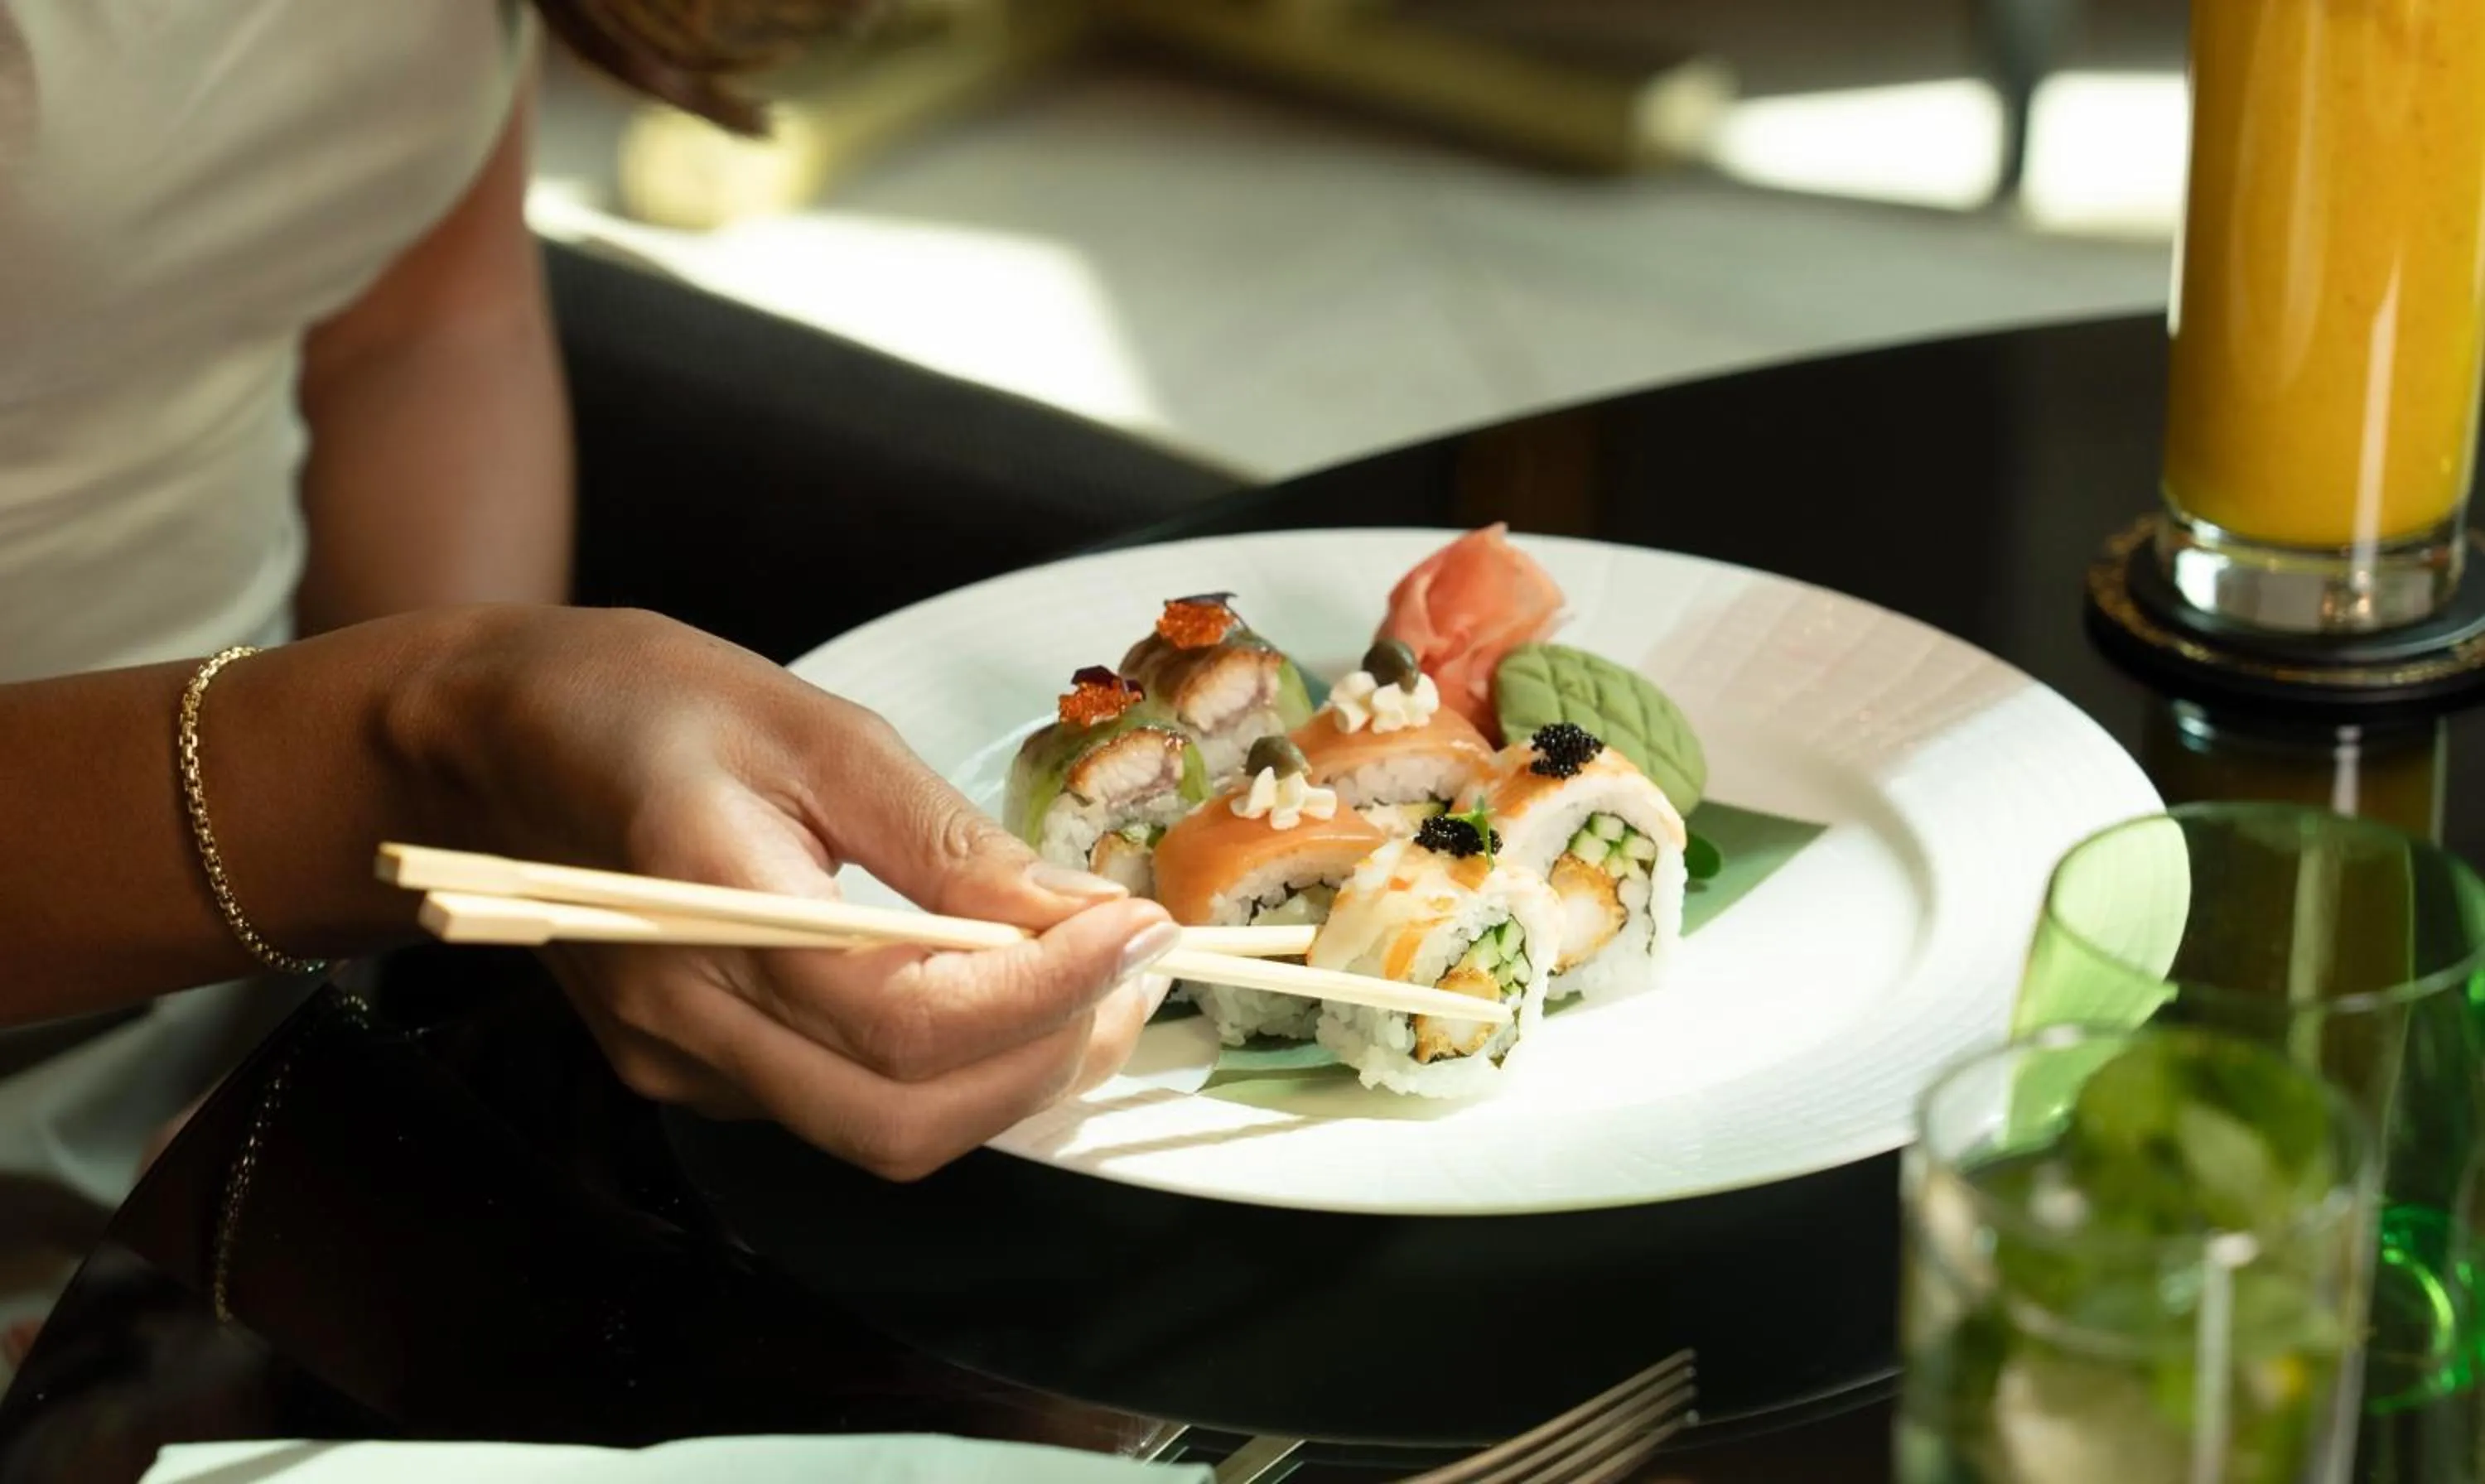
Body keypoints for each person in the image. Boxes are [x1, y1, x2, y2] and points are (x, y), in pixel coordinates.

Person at [0, 0, 1179, 1234]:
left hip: (263, 962)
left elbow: (416, 325)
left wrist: (350, 984)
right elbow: (406, 751)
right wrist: (413, 748)